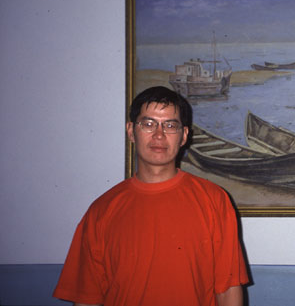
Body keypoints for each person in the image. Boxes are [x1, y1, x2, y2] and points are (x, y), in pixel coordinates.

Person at [53, 86, 248, 306]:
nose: (158, 134)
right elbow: (87, 298)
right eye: (148, 124)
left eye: (170, 125)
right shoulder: (101, 210)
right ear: (130, 131)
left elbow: (228, 289)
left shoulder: (214, 200)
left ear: (184, 136)